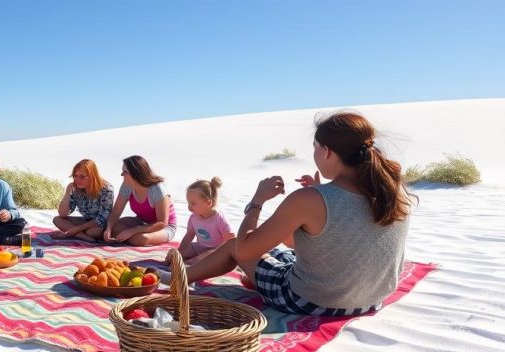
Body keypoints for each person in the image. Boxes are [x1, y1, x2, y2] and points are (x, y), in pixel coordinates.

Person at [177, 112, 414, 316]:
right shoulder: (393, 192)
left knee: (233, 246)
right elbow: (300, 244)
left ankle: (177, 279)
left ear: (327, 151)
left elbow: (244, 249)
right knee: (279, 253)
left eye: (315, 148)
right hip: (370, 301)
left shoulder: (310, 200)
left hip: (313, 302)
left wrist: (257, 201)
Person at [103, 155, 177, 245]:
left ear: (136, 174)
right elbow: (115, 213)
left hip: (164, 227)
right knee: (112, 226)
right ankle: (129, 238)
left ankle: (131, 238)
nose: (121, 174)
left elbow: (162, 223)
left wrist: (133, 231)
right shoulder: (126, 186)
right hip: (141, 223)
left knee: (142, 239)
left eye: (125, 172)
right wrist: (108, 229)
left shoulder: (157, 189)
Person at [51, 159, 114, 242]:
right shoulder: (77, 188)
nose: (77, 180)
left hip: (101, 224)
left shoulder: (106, 190)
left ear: (92, 175)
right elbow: (63, 214)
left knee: (93, 232)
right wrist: (67, 194)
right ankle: (85, 237)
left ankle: (76, 234)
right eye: (75, 176)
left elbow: (102, 218)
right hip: (86, 221)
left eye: (82, 176)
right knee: (57, 219)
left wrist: (76, 229)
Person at [175, 177, 234, 261]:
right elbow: (189, 235)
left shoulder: (218, 218)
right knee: (183, 252)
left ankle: (191, 264)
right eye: (188, 203)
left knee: (202, 257)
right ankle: (181, 261)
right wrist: (179, 252)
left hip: (216, 251)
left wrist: (220, 252)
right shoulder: (193, 218)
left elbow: (231, 240)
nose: (189, 207)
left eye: (193, 204)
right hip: (200, 247)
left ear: (208, 203)